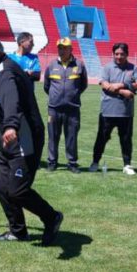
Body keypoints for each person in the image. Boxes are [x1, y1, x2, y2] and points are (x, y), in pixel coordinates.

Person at [0, 32, 62, 245]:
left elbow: (12, 99)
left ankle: (52, 217)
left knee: (18, 190)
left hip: (24, 137)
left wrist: (10, 125)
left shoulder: (5, 72)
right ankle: (18, 231)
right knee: (3, 187)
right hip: (9, 138)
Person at [89, 42, 137, 175]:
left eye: (122, 54)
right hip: (108, 110)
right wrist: (123, 91)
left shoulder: (133, 68)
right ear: (113, 54)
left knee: (126, 139)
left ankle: (127, 165)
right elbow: (106, 85)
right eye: (116, 54)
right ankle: (95, 162)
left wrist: (121, 84)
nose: (119, 56)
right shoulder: (107, 67)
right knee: (101, 138)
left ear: (127, 54)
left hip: (126, 112)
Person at [43, 37, 88, 173]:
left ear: (71, 49)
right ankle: (52, 162)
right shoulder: (51, 66)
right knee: (52, 136)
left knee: (72, 137)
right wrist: (55, 97)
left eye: (64, 48)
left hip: (72, 109)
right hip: (54, 109)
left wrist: (72, 96)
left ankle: (72, 163)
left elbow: (83, 85)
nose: (61, 50)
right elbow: (46, 86)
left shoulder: (79, 65)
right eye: (59, 48)